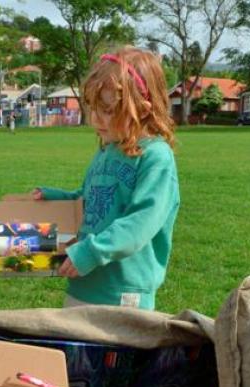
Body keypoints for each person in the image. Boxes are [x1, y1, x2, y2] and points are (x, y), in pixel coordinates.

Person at [32, 47, 179, 311]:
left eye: (108, 110)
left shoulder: (156, 157)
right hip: (84, 283)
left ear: (143, 110)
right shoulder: (108, 150)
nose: (95, 119)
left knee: (112, 355)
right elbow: (93, 201)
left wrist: (90, 252)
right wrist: (58, 198)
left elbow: (141, 222)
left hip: (123, 293)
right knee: (72, 352)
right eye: (93, 107)